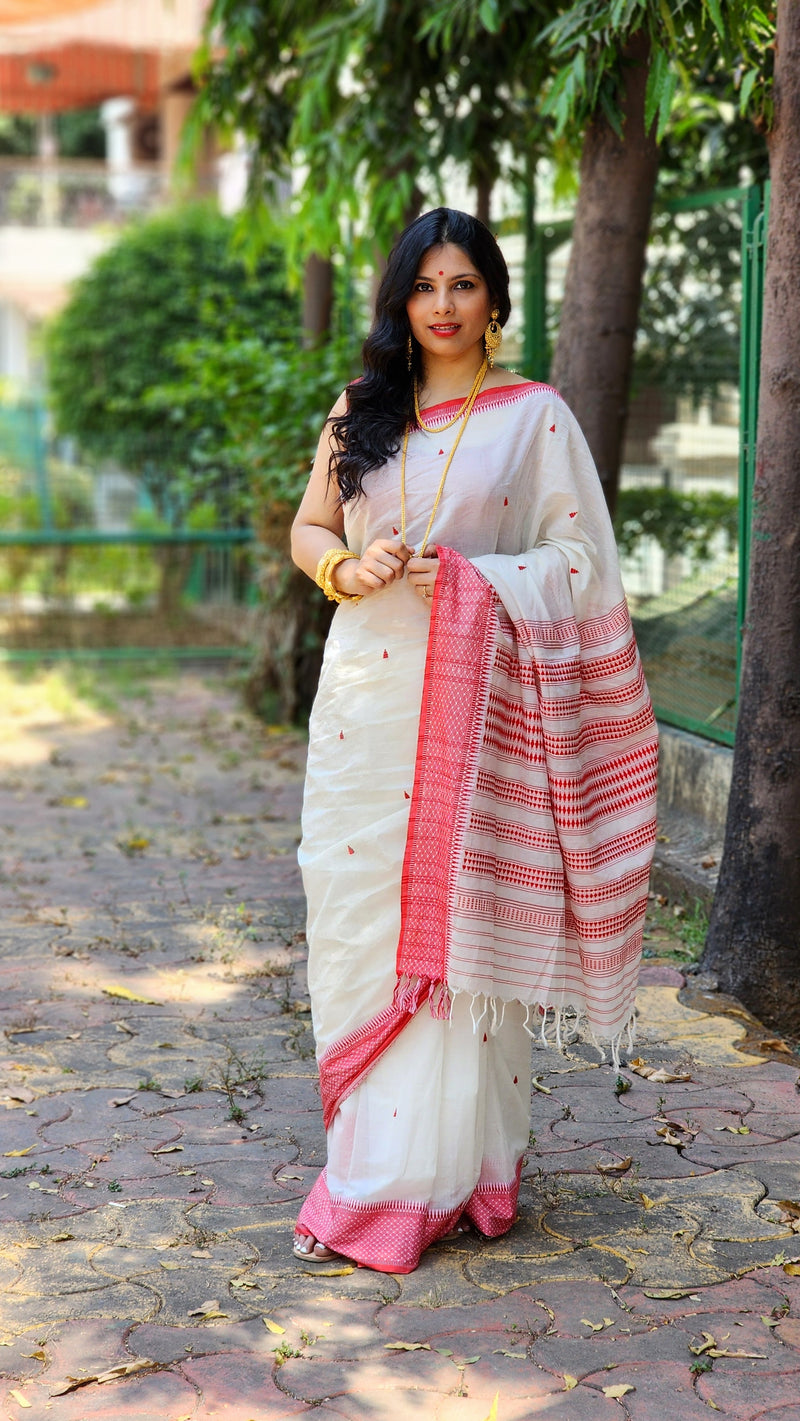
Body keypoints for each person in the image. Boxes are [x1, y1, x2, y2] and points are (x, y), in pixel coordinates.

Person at [290, 207, 658, 1274]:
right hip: (364, 703)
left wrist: (465, 580)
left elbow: (580, 566)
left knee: (458, 936)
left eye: (462, 284)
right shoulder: (362, 409)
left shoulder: (532, 417)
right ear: (398, 300)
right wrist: (342, 569)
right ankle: (383, 1159)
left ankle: (414, 1184)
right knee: (356, 925)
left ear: (493, 298)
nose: (442, 305)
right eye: (423, 286)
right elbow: (309, 527)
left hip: (476, 710)